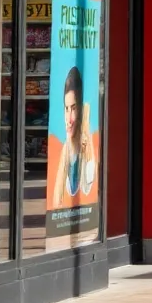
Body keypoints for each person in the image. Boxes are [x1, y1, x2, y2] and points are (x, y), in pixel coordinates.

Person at [53, 66, 97, 206]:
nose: (69, 118)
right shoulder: (63, 150)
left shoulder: (88, 142)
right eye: (66, 109)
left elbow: (88, 182)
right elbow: (56, 199)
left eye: (74, 108)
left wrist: (88, 147)